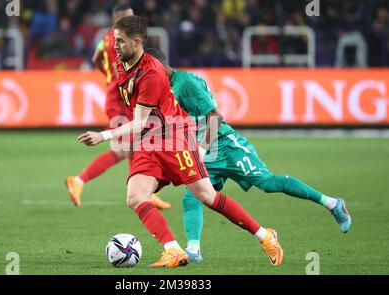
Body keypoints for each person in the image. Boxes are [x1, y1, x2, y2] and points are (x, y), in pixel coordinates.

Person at [77, 15, 283, 267]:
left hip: (175, 139)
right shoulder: (123, 63)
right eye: (114, 40)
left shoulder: (151, 73)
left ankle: (264, 235)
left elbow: (140, 120)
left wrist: (103, 135)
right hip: (150, 142)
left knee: (207, 196)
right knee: (135, 196)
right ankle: (173, 249)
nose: (114, 45)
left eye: (119, 41)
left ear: (137, 41)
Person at [145, 47, 352, 263]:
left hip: (225, 144)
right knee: (194, 194)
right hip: (203, 149)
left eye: (148, 70)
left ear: (158, 66)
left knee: (267, 182)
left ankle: (331, 203)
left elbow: (215, 116)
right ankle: (194, 250)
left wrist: (203, 149)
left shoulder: (184, 83)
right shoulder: (165, 87)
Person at [65, 4, 170, 210]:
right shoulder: (120, 41)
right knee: (123, 149)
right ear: (118, 19)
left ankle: (144, 193)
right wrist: (118, 83)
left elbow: (96, 58)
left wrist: (107, 80)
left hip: (118, 97)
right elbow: (120, 69)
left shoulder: (106, 38)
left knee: (135, 144)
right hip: (119, 101)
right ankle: (78, 181)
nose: (134, 21)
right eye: (129, 18)